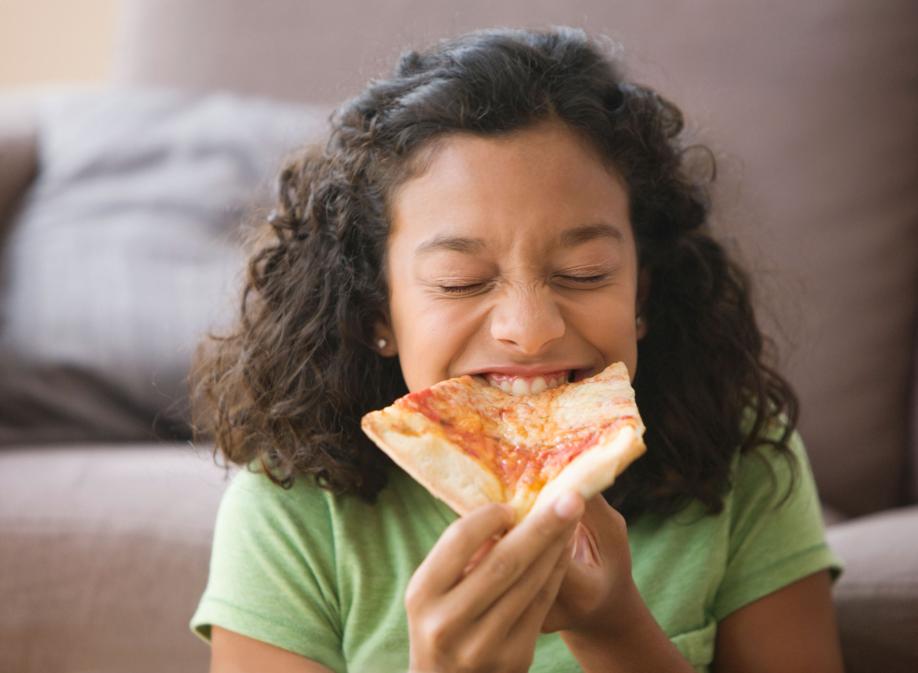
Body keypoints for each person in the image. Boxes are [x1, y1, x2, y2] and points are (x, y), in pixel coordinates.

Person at [189, 26, 845, 673]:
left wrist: (616, 630)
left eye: (584, 272)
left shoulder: (747, 456)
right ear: (376, 313)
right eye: (461, 282)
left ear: (643, 294)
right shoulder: (291, 509)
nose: (530, 329)